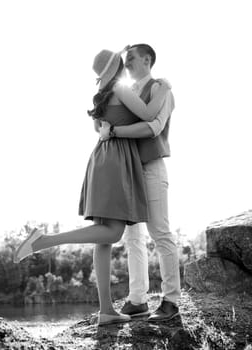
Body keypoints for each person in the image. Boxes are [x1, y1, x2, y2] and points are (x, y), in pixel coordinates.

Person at [13, 47, 171, 326]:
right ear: (116, 68)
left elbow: (102, 128)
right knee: (112, 232)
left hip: (103, 157)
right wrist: (165, 87)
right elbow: (148, 113)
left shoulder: (103, 95)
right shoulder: (121, 89)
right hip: (116, 161)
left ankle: (106, 310)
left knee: (103, 241)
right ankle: (43, 241)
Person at [99, 44, 181, 323]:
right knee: (133, 237)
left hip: (152, 168)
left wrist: (115, 132)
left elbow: (154, 127)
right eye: (126, 60)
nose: (128, 63)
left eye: (132, 58)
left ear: (148, 59)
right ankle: (138, 300)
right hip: (128, 171)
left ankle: (171, 300)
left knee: (160, 232)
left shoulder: (162, 89)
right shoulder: (127, 93)